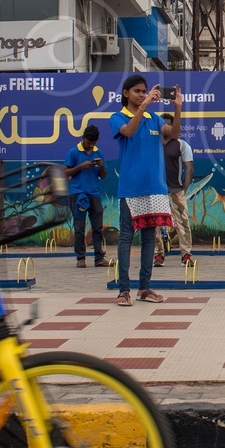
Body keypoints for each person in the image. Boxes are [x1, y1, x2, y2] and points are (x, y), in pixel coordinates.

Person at [113, 75, 179, 307]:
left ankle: (144, 288)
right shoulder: (118, 117)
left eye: (144, 91)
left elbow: (174, 134)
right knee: (126, 238)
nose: (142, 94)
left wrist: (178, 108)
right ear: (126, 93)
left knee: (150, 238)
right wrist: (143, 106)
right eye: (137, 91)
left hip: (155, 188)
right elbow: (128, 132)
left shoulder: (154, 118)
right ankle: (123, 291)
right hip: (131, 188)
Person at [64, 124, 109, 268]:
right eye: (88, 143)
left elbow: (103, 176)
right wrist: (80, 167)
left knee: (97, 228)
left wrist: (101, 166)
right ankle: (81, 258)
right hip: (77, 194)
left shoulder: (99, 153)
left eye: (93, 144)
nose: (90, 146)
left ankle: (99, 258)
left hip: (94, 194)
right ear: (83, 138)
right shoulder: (73, 152)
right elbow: (65, 172)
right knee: (79, 228)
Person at [160, 113, 195, 266]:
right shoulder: (152, 144)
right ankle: (158, 255)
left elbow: (189, 169)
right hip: (157, 191)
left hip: (176, 189)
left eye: (169, 125)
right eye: (163, 124)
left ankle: (186, 254)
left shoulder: (181, 145)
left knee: (183, 222)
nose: (166, 128)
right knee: (155, 224)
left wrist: (184, 189)